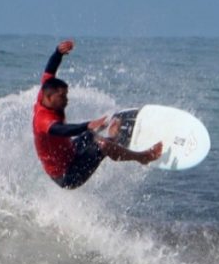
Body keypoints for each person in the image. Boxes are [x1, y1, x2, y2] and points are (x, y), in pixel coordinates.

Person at [33, 39, 162, 189]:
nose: (66, 100)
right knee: (101, 144)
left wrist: (58, 52)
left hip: (70, 152)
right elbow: (61, 130)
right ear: (48, 97)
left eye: (66, 95)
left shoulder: (46, 90)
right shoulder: (43, 120)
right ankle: (142, 157)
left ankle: (116, 138)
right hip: (66, 175)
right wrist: (87, 125)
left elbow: (50, 70)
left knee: (93, 134)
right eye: (62, 97)